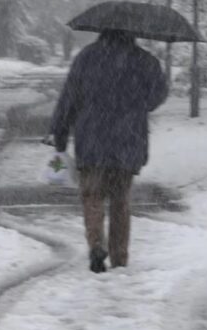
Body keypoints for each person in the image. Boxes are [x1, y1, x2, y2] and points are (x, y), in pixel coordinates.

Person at [49, 29, 168, 273]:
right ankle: (119, 257)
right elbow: (158, 95)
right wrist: (136, 103)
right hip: (128, 140)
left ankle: (95, 245)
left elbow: (68, 98)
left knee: (92, 197)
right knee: (120, 202)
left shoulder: (87, 57)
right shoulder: (144, 60)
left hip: (91, 141)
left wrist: (59, 133)